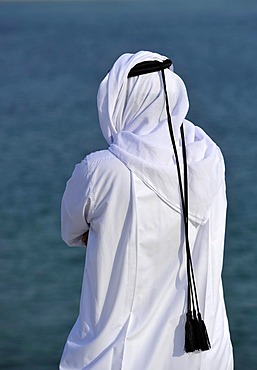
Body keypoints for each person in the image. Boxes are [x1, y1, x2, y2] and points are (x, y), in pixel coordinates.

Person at [59, 51, 233, 369]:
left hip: (121, 357)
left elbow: (71, 230)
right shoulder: (210, 159)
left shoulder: (101, 170)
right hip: (205, 353)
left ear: (116, 102)